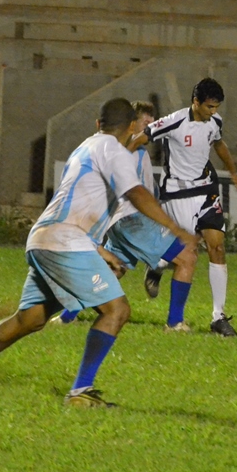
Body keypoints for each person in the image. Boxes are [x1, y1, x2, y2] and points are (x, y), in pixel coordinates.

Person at [0, 98, 198, 408]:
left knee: (31, 319)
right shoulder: (113, 149)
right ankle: (80, 391)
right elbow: (135, 192)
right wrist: (173, 226)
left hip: (44, 237)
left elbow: (76, 205)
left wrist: (98, 250)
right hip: (64, 241)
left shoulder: (85, 147)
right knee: (117, 311)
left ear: (97, 123)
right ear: (132, 127)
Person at [51, 101, 198, 332]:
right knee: (187, 256)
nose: (150, 129)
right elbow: (134, 191)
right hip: (132, 220)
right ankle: (175, 322)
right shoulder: (127, 150)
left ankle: (67, 315)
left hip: (120, 222)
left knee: (114, 269)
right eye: (145, 123)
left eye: (153, 123)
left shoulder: (132, 151)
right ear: (131, 125)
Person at [132, 78, 237, 337]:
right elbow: (143, 136)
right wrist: (116, 154)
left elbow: (218, 143)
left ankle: (218, 317)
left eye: (216, 107)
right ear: (196, 102)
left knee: (216, 246)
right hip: (177, 195)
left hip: (206, 191)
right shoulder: (174, 121)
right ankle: (158, 266)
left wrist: (233, 172)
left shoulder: (214, 122)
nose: (213, 112)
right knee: (187, 251)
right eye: (209, 107)